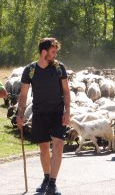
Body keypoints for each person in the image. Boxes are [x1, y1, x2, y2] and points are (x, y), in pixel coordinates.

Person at [16, 37, 70, 195]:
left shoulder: (60, 68)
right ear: (44, 52)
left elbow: (66, 91)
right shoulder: (30, 70)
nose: (55, 55)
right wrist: (20, 114)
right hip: (39, 113)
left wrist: (68, 111)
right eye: (53, 52)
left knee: (59, 144)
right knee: (44, 148)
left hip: (57, 112)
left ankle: (53, 184)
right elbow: (24, 94)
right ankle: (46, 178)